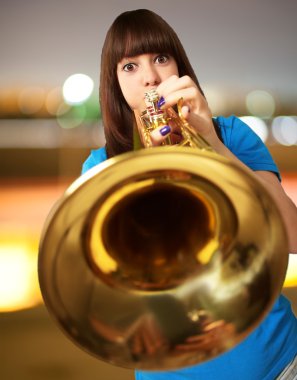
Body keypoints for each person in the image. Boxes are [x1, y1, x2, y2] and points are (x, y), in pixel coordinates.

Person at [81, 9, 297, 380]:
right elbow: (111, 298)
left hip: (277, 364)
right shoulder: (101, 166)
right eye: (129, 67)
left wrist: (212, 144)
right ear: (113, 82)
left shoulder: (231, 135)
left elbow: (293, 236)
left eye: (160, 58)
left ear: (180, 66)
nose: (150, 77)